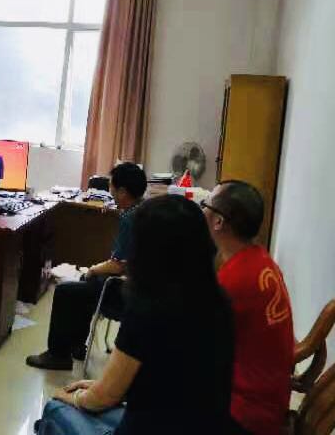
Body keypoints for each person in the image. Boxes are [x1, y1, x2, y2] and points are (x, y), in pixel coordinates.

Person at [35, 195, 235, 435]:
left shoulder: (149, 306)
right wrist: (99, 387)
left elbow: (103, 398)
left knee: (55, 408)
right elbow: (171, 380)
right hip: (204, 427)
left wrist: (76, 398)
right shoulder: (220, 300)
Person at [26, 162, 146, 370]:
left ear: (123, 192)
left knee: (66, 290)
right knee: (86, 283)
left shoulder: (129, 218)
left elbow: (117, 266)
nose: (110, 193)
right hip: (141, 289)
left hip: (124, 291)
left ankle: (58, 355)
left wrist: (92, 269)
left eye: (112, 188)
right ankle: (77, 346)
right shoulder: (144, 210)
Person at [202, 181, 294, 435]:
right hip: (270, 402)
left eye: (205, 204)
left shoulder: (234, 280)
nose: (202, 210)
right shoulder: (262, 260)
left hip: (244, 415)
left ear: (218, 221)